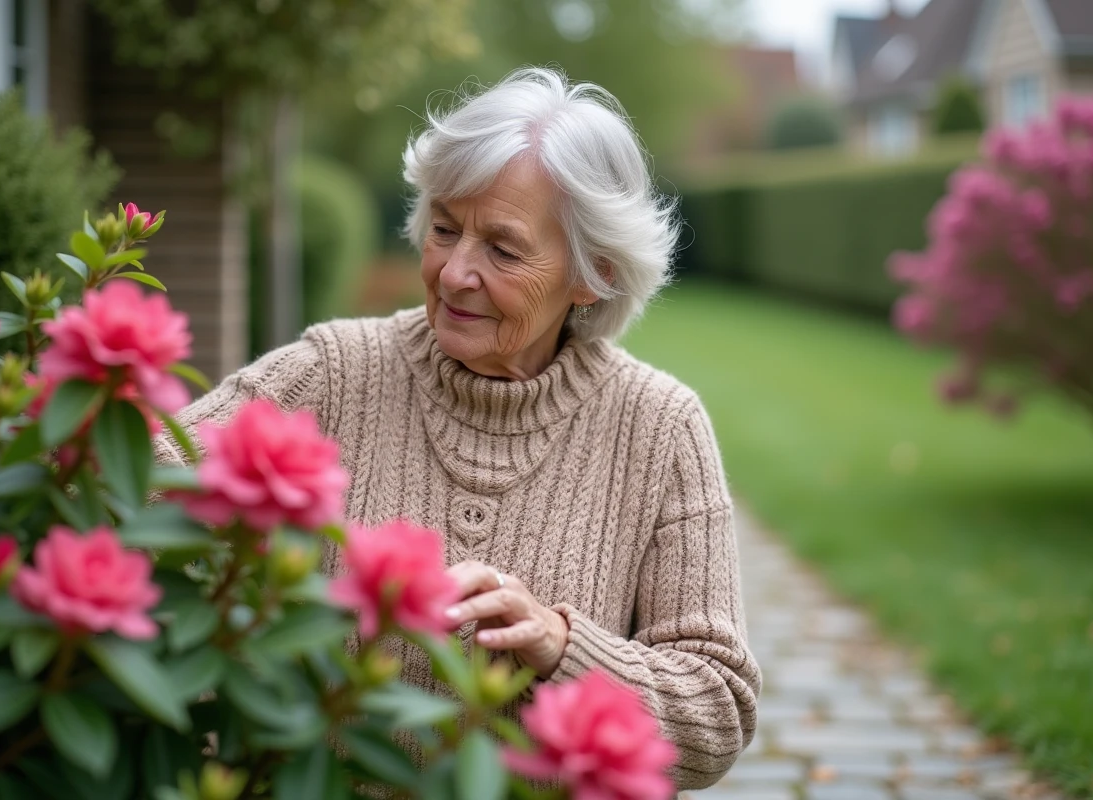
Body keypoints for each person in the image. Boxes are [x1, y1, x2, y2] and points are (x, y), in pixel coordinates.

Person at [157, 67, 759, 790]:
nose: (453, 273)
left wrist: (561, 647)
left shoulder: (660, 429)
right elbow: (142, 484)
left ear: (592, 274)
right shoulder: (330, 372)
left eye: (503, 250)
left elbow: (716, 714)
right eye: (444, 228)